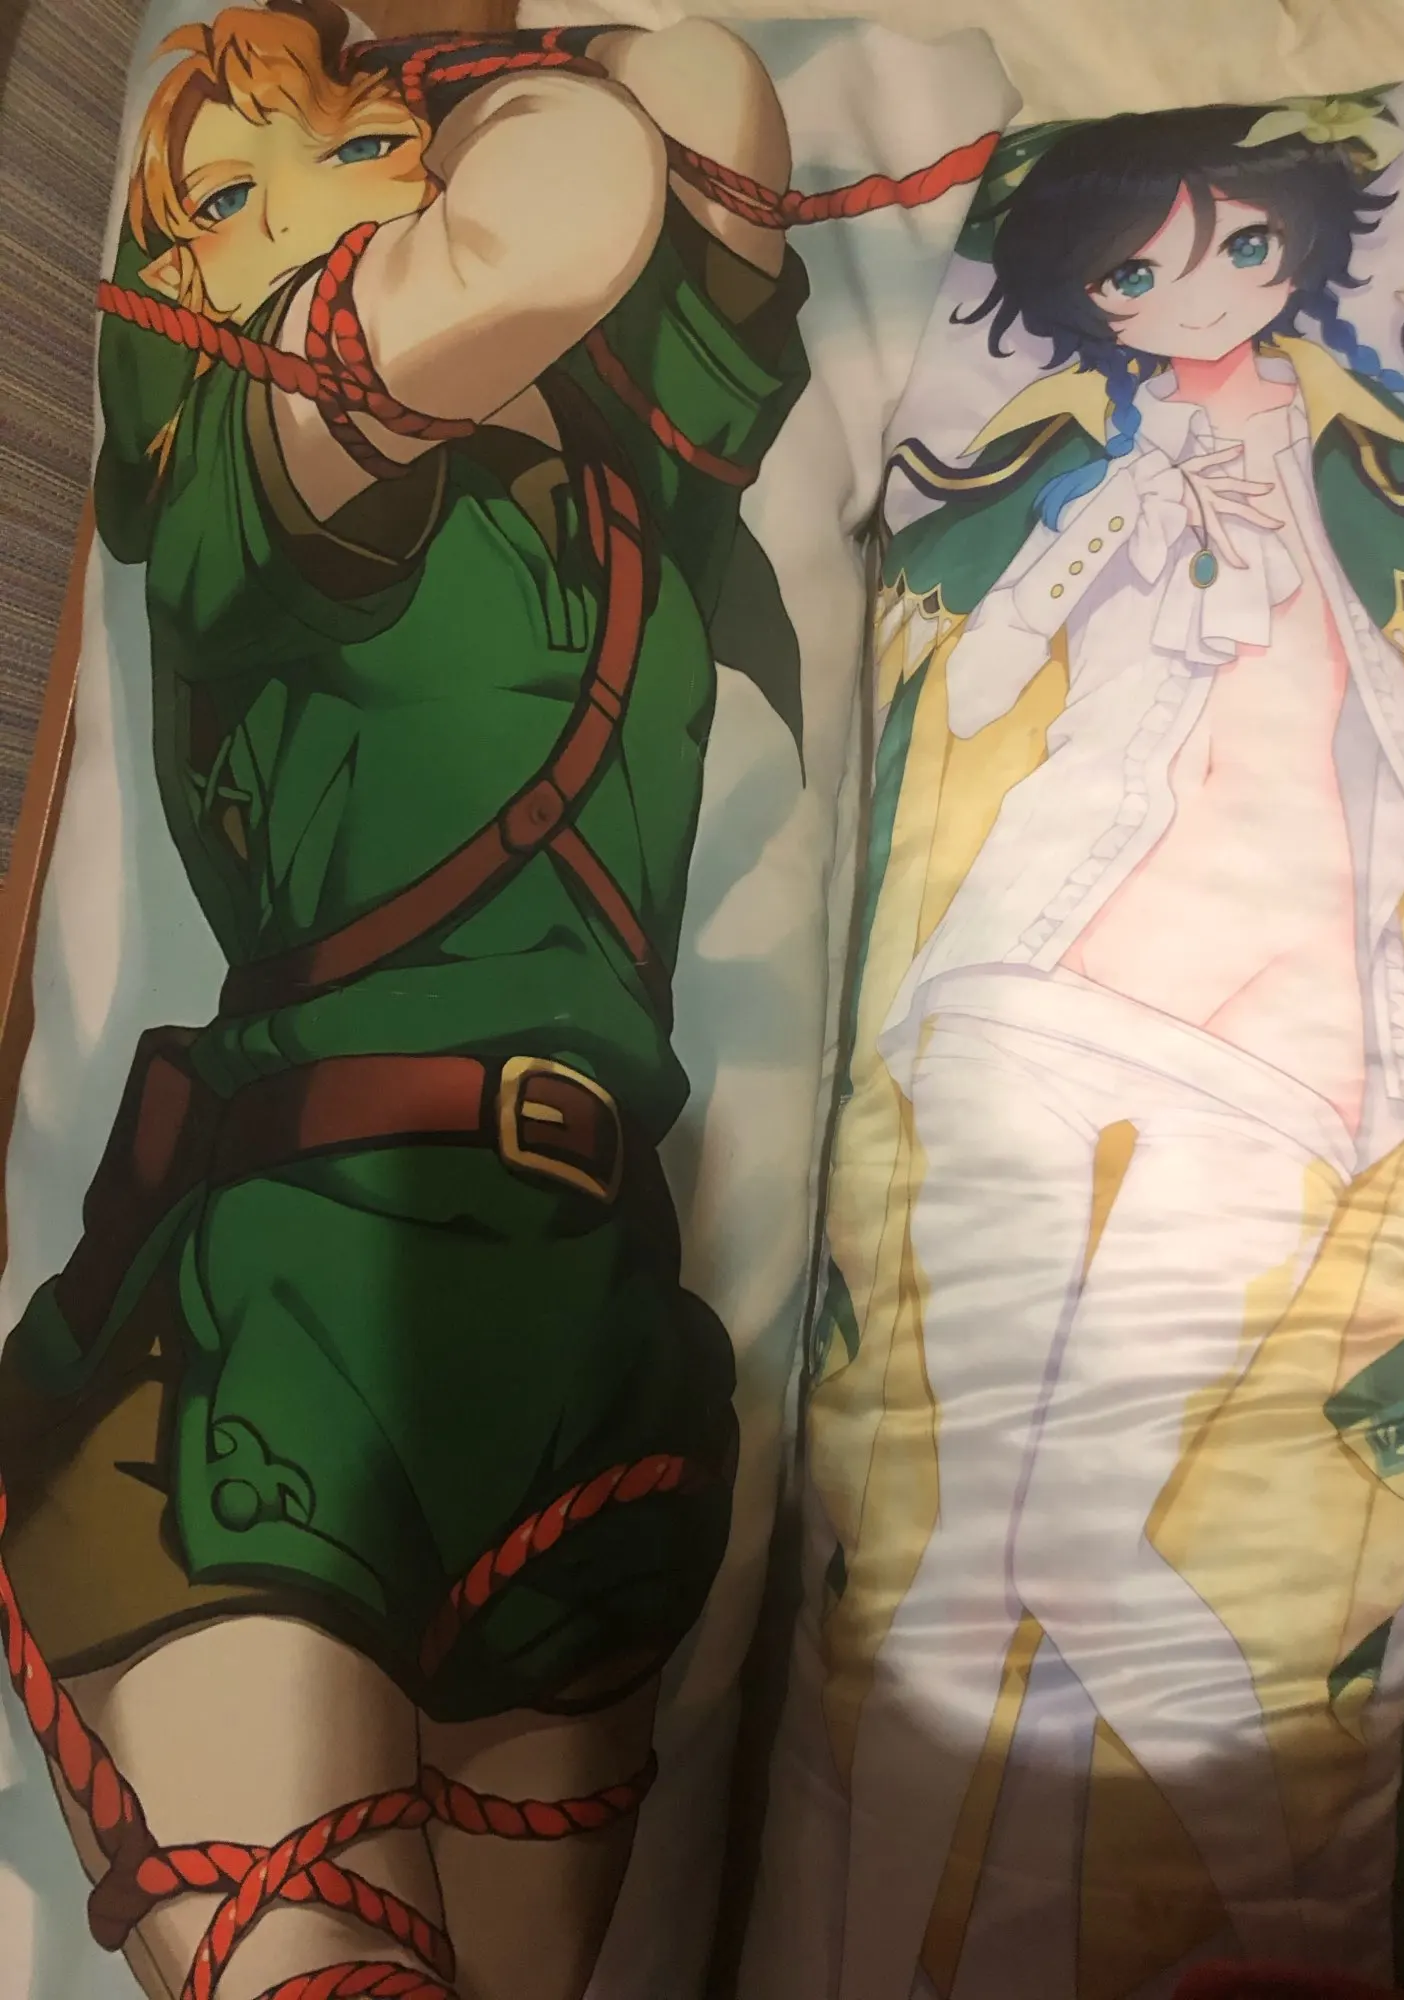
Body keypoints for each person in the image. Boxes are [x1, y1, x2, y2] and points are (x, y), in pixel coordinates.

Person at [0, 5, 811, 1996]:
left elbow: (704, 103)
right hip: (288, 1308)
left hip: (585, 1328)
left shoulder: (625, 475)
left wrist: (473, 73)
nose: (298, 208)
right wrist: (438, 114)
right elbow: (562, 213)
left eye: (351, 147)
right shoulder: (242, 467)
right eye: (223, 198)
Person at [835, 98, 1404, 2000]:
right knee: (959, 1546)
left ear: (1298, 251)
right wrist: (1110, 541)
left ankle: (1273, 1935)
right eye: (1138, 270)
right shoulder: (1091, 466)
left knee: (1059, 1533)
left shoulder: (1388, 455)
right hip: (1031, 973)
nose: (1192, 294)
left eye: (1241, 248)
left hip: (1280, 1036)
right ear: (1095, 300)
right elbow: (976, 681)